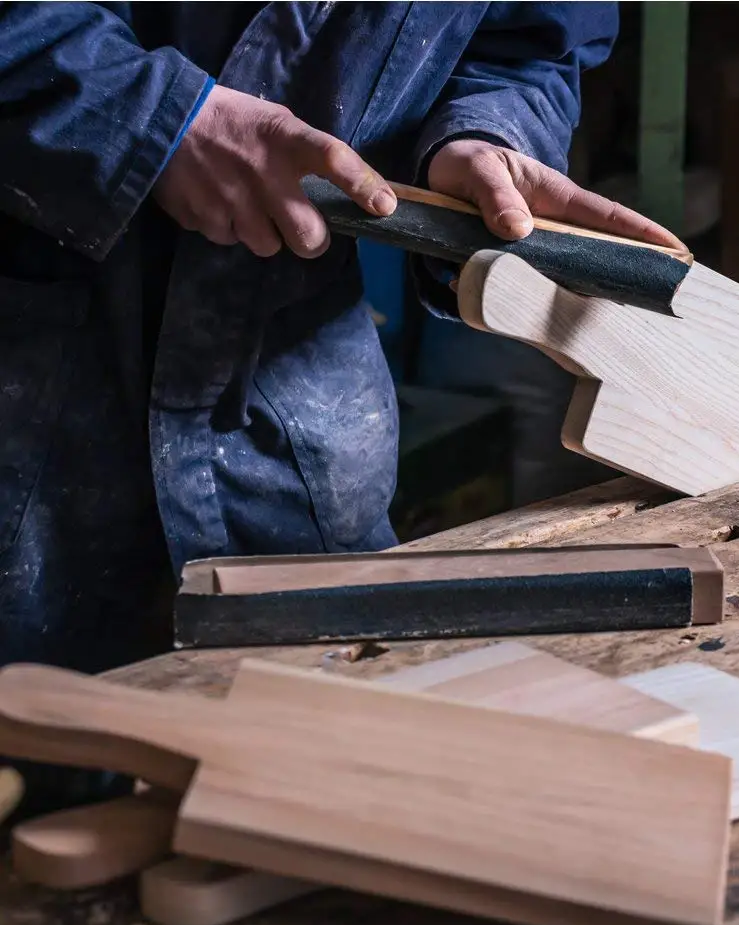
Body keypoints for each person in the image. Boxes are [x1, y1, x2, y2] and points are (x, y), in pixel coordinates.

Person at [0, 2, 685, 686]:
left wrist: (482, 129)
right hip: (34, 389)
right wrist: (149, 116)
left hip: (295, 400)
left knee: (320, 717)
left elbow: (528, 39)